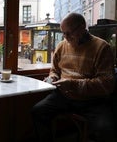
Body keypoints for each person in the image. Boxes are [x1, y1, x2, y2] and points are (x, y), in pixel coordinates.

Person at [31, 13, 116, 142]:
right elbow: (54, 70)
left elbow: (107, 83)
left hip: (93, 100)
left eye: (69, 33)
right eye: (63, 33)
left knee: (105, 128)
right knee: (37, 111)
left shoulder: (102, 47)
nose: (66, 37)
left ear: (82, 28)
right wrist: (53, 78)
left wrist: (73, 84)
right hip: (64, 96)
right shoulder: (61, 46)